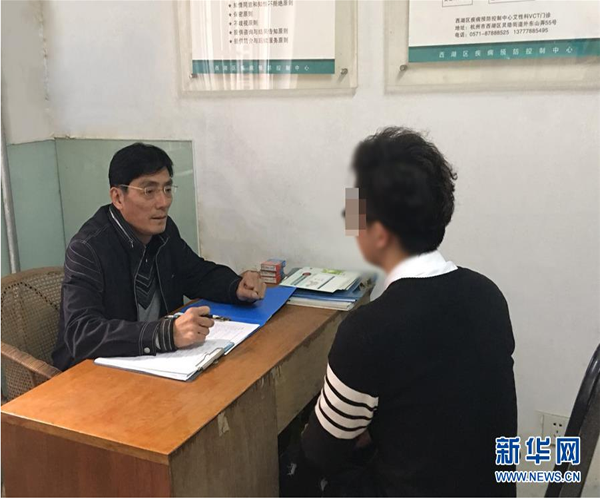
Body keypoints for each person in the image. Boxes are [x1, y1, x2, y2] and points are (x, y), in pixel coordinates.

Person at [281, 127, 517, 497]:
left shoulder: (368, 330)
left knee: (290, 467)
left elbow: (320, 454)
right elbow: (438, 406)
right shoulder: (487, 295)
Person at [52, 143, 265, 371]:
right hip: (93, 373)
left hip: (153, 364)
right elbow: (81, 334)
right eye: (149, 191)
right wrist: (166, 334)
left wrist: (236, 286)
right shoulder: (87, 248)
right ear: (118, 197)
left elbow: (196, 275)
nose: (163, 203)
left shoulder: (163, 232)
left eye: (167, 189)